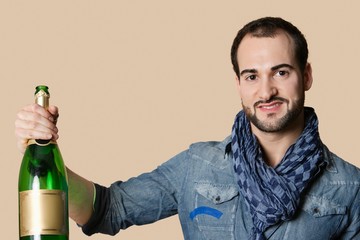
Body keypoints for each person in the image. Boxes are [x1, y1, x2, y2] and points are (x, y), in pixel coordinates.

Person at [15, 17, 360, 240]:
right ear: (239, 84)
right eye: (251, 76)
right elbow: (107, 208)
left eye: (281, 72)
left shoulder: (351, 188)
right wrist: (45, 156)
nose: (266, 91)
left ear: (307, 76)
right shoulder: (196, 165)